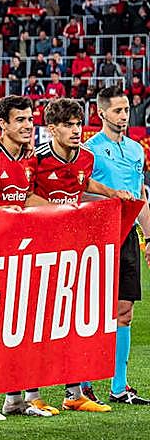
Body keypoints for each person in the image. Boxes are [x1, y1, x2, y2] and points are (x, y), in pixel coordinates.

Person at [27, 98, 136, 413]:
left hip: (73, 249)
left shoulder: (85, 157)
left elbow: (82, 182)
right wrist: (57, 211)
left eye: (78, 124)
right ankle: (31, 396)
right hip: (41, 250)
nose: (76, 131)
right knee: (40, 324)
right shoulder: (37, 159)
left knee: (72, 321)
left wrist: (110, 193)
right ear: (52, 129)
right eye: (68, 125)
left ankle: (74, 393)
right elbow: (24, 194)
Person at [0, 96, 58, 418]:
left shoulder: (29, 159)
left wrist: (61, 210)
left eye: (30, 119)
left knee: (19, 325)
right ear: (3, 125)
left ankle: (15, 399)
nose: (27, 126)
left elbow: (27, 197)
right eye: (20, 120)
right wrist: (0, 213)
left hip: (20, 251)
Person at [87, 86, 150, 407]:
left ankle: (119, 386)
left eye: (126, 111)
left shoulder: (137, 150)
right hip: (96, 236)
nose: (124, 117)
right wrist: (108, 196)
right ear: (101, 114)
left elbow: (140, 197)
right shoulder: (89, 150)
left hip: (127, 238)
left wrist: (148, 238)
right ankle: (82, 386)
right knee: (91, 313)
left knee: (124, 311)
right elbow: (80, 193)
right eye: (117, 111)